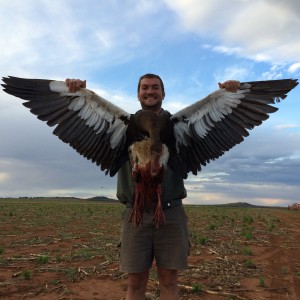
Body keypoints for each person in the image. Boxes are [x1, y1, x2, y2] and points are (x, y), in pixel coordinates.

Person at [66, 75, 240, 300]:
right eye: (145, 88)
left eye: (155, 88)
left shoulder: (178, 125)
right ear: (138, 94)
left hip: (170, 213)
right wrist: (74, 92)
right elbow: (73, 102)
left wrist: (230, 93)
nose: (150, 91)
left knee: (169, 281)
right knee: (136, 284)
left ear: (163, 93)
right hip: (136, 215)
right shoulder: (123, 125)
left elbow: (230, 105)